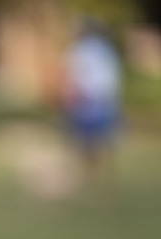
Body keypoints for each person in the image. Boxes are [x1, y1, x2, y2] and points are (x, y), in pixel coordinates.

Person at [62, 20, 123, 185]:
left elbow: (75, 77)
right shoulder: (107, 49)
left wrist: (69, 98)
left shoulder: (80, 50)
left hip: (87, 101)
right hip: (107, 100)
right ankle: (108, 178)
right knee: (106, 142)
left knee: (87, 143)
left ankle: (90, 177)